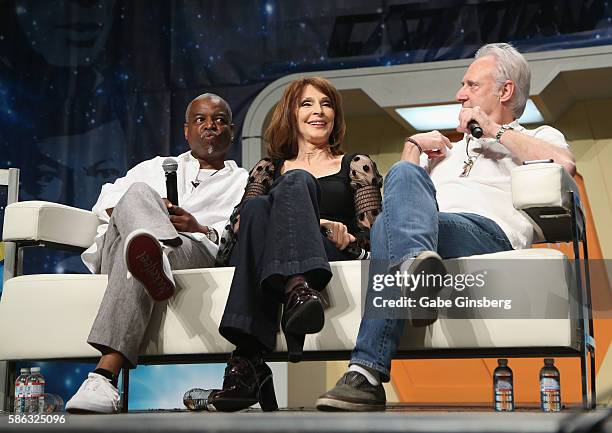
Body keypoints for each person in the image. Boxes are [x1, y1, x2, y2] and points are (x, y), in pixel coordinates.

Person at [316, 42, 576, 412]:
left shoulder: (538, 136)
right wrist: (412, 146)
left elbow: (563, 165)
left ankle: (367, 371)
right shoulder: (448, 153)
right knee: (402, 181)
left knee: (398, 220)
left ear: (505, 91)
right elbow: (395, 207)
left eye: (471, 85)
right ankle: (413, 270)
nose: (460, 94)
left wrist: (493, 132)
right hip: (432, 236)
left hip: (488, 234)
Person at [205, 77, 383, 412]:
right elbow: (240, 228)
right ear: (291, 114)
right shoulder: (268, 168)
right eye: (307, 104)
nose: (319, 111)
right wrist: (293, 218)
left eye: (326, 103)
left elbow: (375, 241)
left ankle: (246, 360)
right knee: (258, 206)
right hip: (270, 254)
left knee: (296, 181)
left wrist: (345, 239)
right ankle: (296, 289)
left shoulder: (356, 165)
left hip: (326, 252)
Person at [65, 93, 248, 414]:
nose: (210, 126)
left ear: (231, 131)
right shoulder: (153, 168)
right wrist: (153, 211)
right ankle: (153, 254)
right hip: (127, 245)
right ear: (186, 130)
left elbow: (235, 237)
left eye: (219, 120)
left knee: (133, 252)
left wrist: (196, 226)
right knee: (137, 196)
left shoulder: (243, 181)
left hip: (191, 251)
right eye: (201, 120)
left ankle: (103, 377)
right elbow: (105, 206)